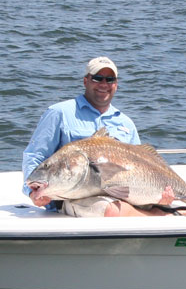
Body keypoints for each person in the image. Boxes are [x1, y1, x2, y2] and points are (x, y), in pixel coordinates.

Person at [22, 56, 177, 217]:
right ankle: (158, 216)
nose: (103, 84)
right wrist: (32, 192)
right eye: (97, 78)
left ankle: (175, 210)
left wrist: (162, 195)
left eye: (109, 79)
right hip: (74, 198)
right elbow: (35, 154)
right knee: (112, 210)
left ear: (116, 85)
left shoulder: (126, 123)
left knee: (172, 204)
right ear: (85, 81)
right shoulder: (60, 113)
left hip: (122, 193)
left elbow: (143, 164)